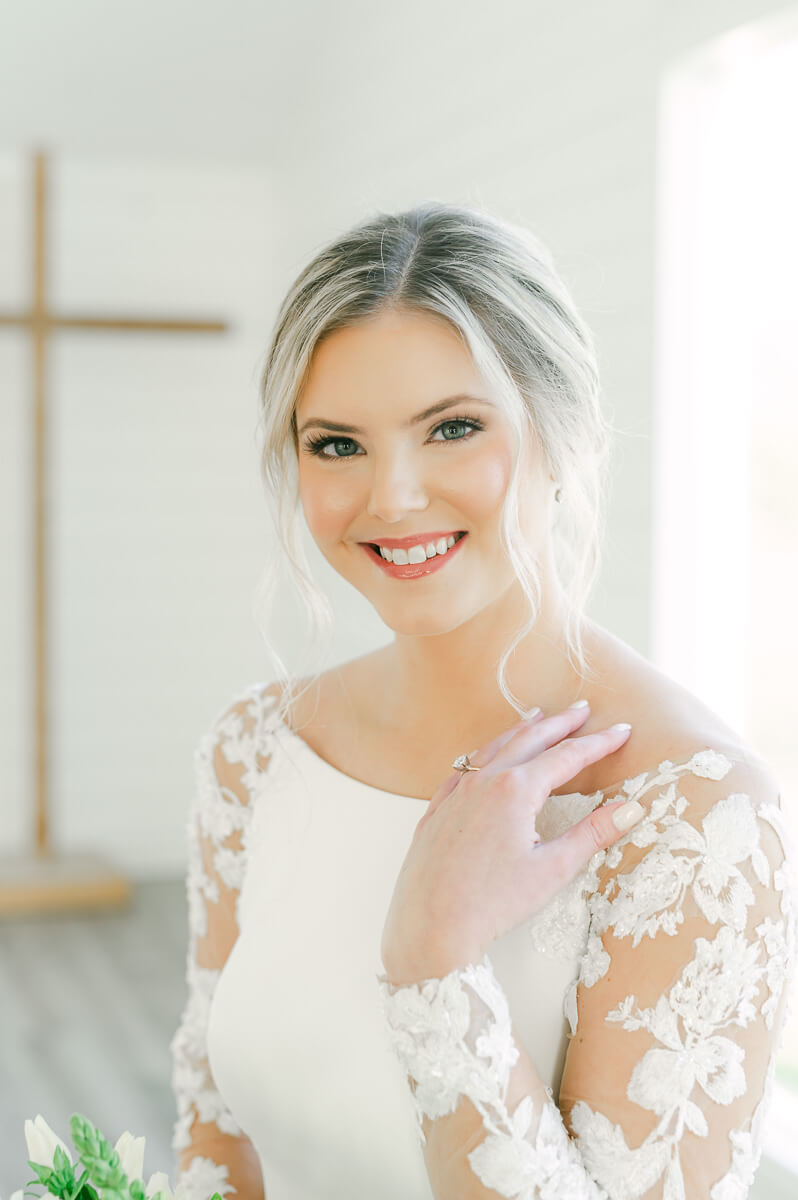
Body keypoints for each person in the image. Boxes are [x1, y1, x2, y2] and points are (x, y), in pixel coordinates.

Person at [168, 202, 797, 1200]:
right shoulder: (253, 754)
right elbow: (217, 1141)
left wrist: (437, 960)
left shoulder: (698, 814)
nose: (395, 497)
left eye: (453, 428)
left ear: (566, 431)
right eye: (337, 445)